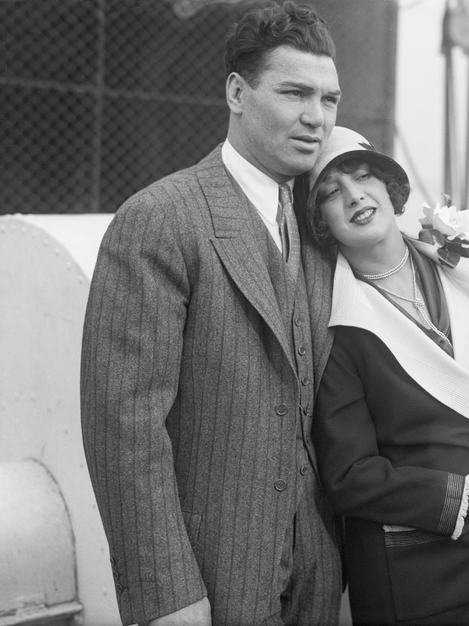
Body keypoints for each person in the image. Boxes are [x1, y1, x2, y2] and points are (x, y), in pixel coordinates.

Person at [80, 4, 344, 625]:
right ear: (237, 93)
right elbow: (125, 428)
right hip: (209, 581)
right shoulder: (161, 218)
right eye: (295, 92)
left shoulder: (322, 222)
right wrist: (168, 596)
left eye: (330, 99)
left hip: (319, 578)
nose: (316, 117)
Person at [305, 126, 469, 625]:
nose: (354, 195)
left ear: (388, 188)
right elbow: (350, 477)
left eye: (363, 177)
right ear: (322, 221)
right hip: (417, 576)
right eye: (332, 193)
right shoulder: (339, 329)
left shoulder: (460, 264)